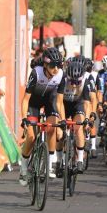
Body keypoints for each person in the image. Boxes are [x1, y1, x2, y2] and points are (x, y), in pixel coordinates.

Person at [19, 48, 66, 184]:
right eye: (52, 66)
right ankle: (23, 168)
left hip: (49, 101)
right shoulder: (36, 73)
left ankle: (49, 165)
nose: (56, 69)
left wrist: (62, 120)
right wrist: (24, 119)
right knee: (32, 136)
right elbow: (26, 99)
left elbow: (59, 101)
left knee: (52, 128)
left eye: (58, 65)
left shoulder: (61, 75)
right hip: (33, 102)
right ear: (45, 65)